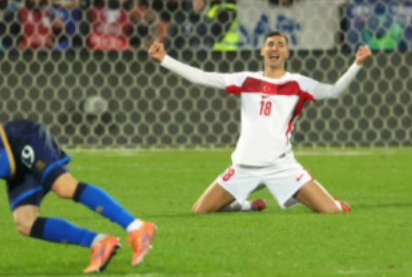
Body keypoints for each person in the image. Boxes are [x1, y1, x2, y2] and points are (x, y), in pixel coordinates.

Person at [148, 33, 373, 214]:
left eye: (281, 45)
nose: (275, 48)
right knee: (201, 210)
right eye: (270, 44)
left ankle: (302, 192)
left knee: (332, 211)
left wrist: (357, 64)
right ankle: (247, 206)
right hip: (244, 166)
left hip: (281, 166)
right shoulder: (246, 80)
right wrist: (165, 59)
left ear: (287, 53)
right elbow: (202, 77)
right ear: (262, 51)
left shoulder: (299, 84)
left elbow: (334, 92)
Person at [0, 119, 157, 274]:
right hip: (13, 170)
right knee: (25, 223)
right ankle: (99, 243)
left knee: (64, 187)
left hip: (17, 139)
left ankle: (137, 227)